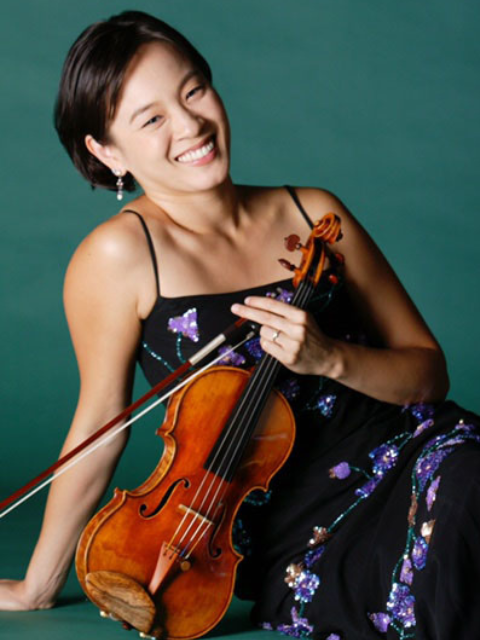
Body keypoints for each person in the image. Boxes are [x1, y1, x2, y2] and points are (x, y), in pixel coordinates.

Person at [1, 9, 479, 640]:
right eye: (152, 118)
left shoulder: (314, 213)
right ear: (106, 150)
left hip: (423, 454)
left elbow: (428, 370)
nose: (192, 123)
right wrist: (40, 583)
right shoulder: (118, 258)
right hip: (292, 525)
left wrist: (330, 358)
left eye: (194, 89)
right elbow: (99, 427)